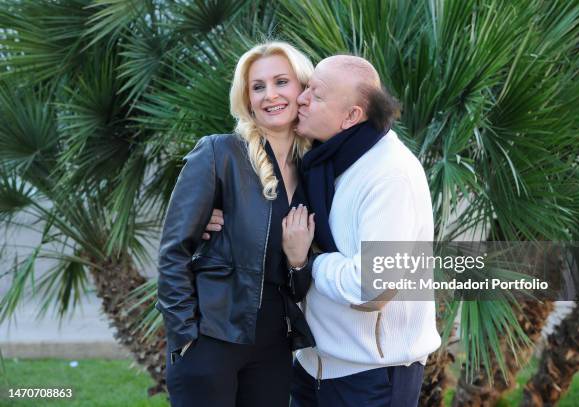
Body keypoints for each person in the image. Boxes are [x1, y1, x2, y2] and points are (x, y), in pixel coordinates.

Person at [206, 54, 441, 406]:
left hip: (371, 376)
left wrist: (310, 261)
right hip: (312, 367)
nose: (301, 98)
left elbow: (371, 285)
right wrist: (220, 214)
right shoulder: (322, 162)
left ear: (352, 116)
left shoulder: (391, 175)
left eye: (315, 95)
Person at [155, 41, 316, 407]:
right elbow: (173, 250)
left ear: (303, 88)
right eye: (258, 87)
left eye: (281, 82)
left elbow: (302, 281)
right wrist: (185, 335)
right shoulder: (219, 153)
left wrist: (297, 262)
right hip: (211, 340)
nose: (269, 95)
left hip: (274, 348)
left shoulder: (313, 172)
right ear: (246, 98)